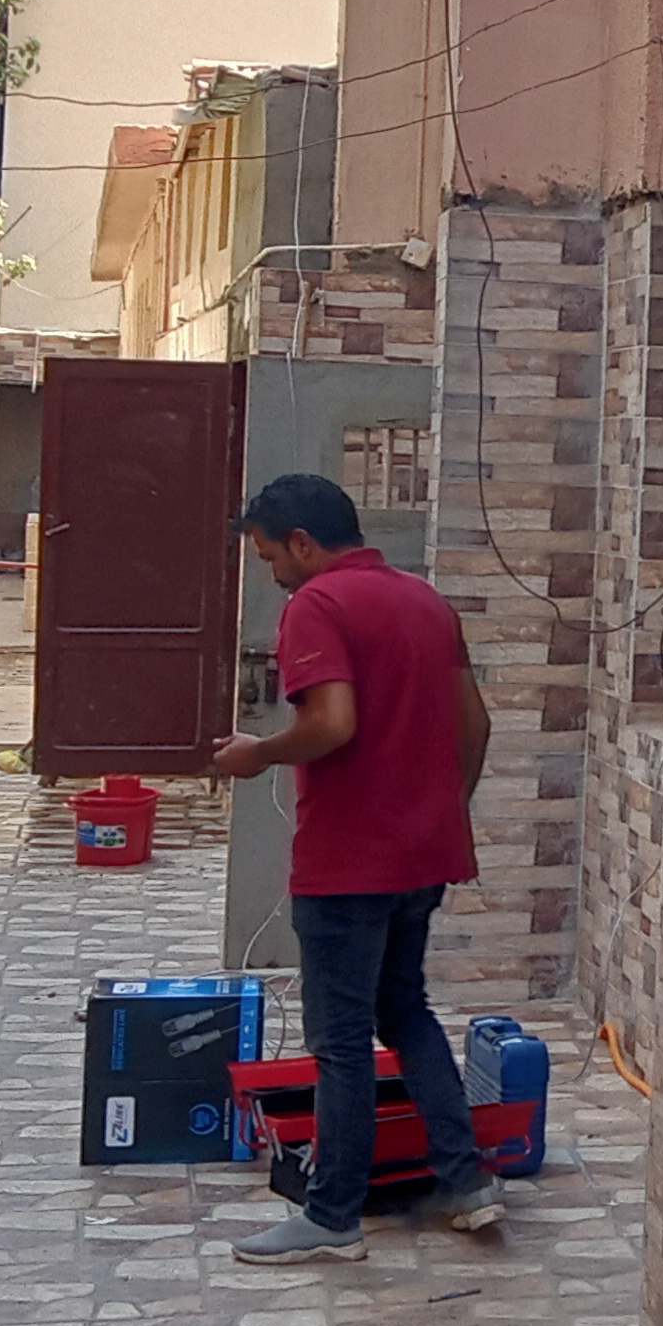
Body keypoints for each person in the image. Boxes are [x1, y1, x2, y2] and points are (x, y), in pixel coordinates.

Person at [211, 471, 502, 1263]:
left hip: (347, 862)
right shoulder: (426, 602)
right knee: (405, 1011)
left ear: (303, 543)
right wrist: (445, 810)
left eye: (271, 557)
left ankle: (332, 1214)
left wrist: (257, 754)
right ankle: (467, 1181)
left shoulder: (318, 605)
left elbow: (332, 723)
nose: (273, 575)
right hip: (422, 855)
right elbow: (476, 723)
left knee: (340, 1040)